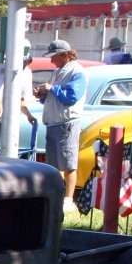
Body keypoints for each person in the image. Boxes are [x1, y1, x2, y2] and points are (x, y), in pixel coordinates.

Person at [35, 39, 87, 210]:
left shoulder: (77, 71)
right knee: (54, 165)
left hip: (67, 123)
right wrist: (42, 94)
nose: (51, 60)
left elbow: (71, 97)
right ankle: (56, 196)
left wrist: (52, 89)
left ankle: (68, 199)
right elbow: (54, 97)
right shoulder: (58, 72)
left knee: (68, 163)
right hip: (53, 122)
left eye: (54, 57)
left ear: (65, 55)